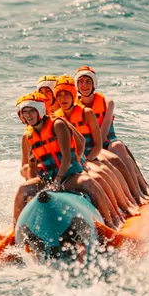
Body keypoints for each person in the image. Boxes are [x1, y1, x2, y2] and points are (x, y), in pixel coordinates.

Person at [12, 92, 119, 228]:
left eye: (32, 111)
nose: (28, 115)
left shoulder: (57, 124)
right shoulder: (29, 135)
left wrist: (58, 180)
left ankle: (110, 222)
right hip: (47, 179)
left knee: (88, 182)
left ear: (40, 109)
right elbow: (32, 165)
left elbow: (67, 156)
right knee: (23, 189)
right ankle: (16, 229)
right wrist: (32, 195)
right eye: (24, 112)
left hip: (68, 176)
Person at [52, 76, 138, 217]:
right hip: (70, 163)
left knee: (102, 173)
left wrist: (86, 160)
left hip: (89, 155)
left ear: (73, 94)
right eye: (59, 95)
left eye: (67, 94)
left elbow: (97, 144)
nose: (63, 99)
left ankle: (125, 205)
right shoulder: (54, 119)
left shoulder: (86, 112)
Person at [75, 65, 149, 199]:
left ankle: (140, 189)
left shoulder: (107, 102)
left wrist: (94, 151)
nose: (84, 85)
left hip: (105, 143)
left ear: (94, 84)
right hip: (85, 147)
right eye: (80, 81)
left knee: (118, 146)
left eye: (88, 81)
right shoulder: (73, 107)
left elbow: (103, 133)